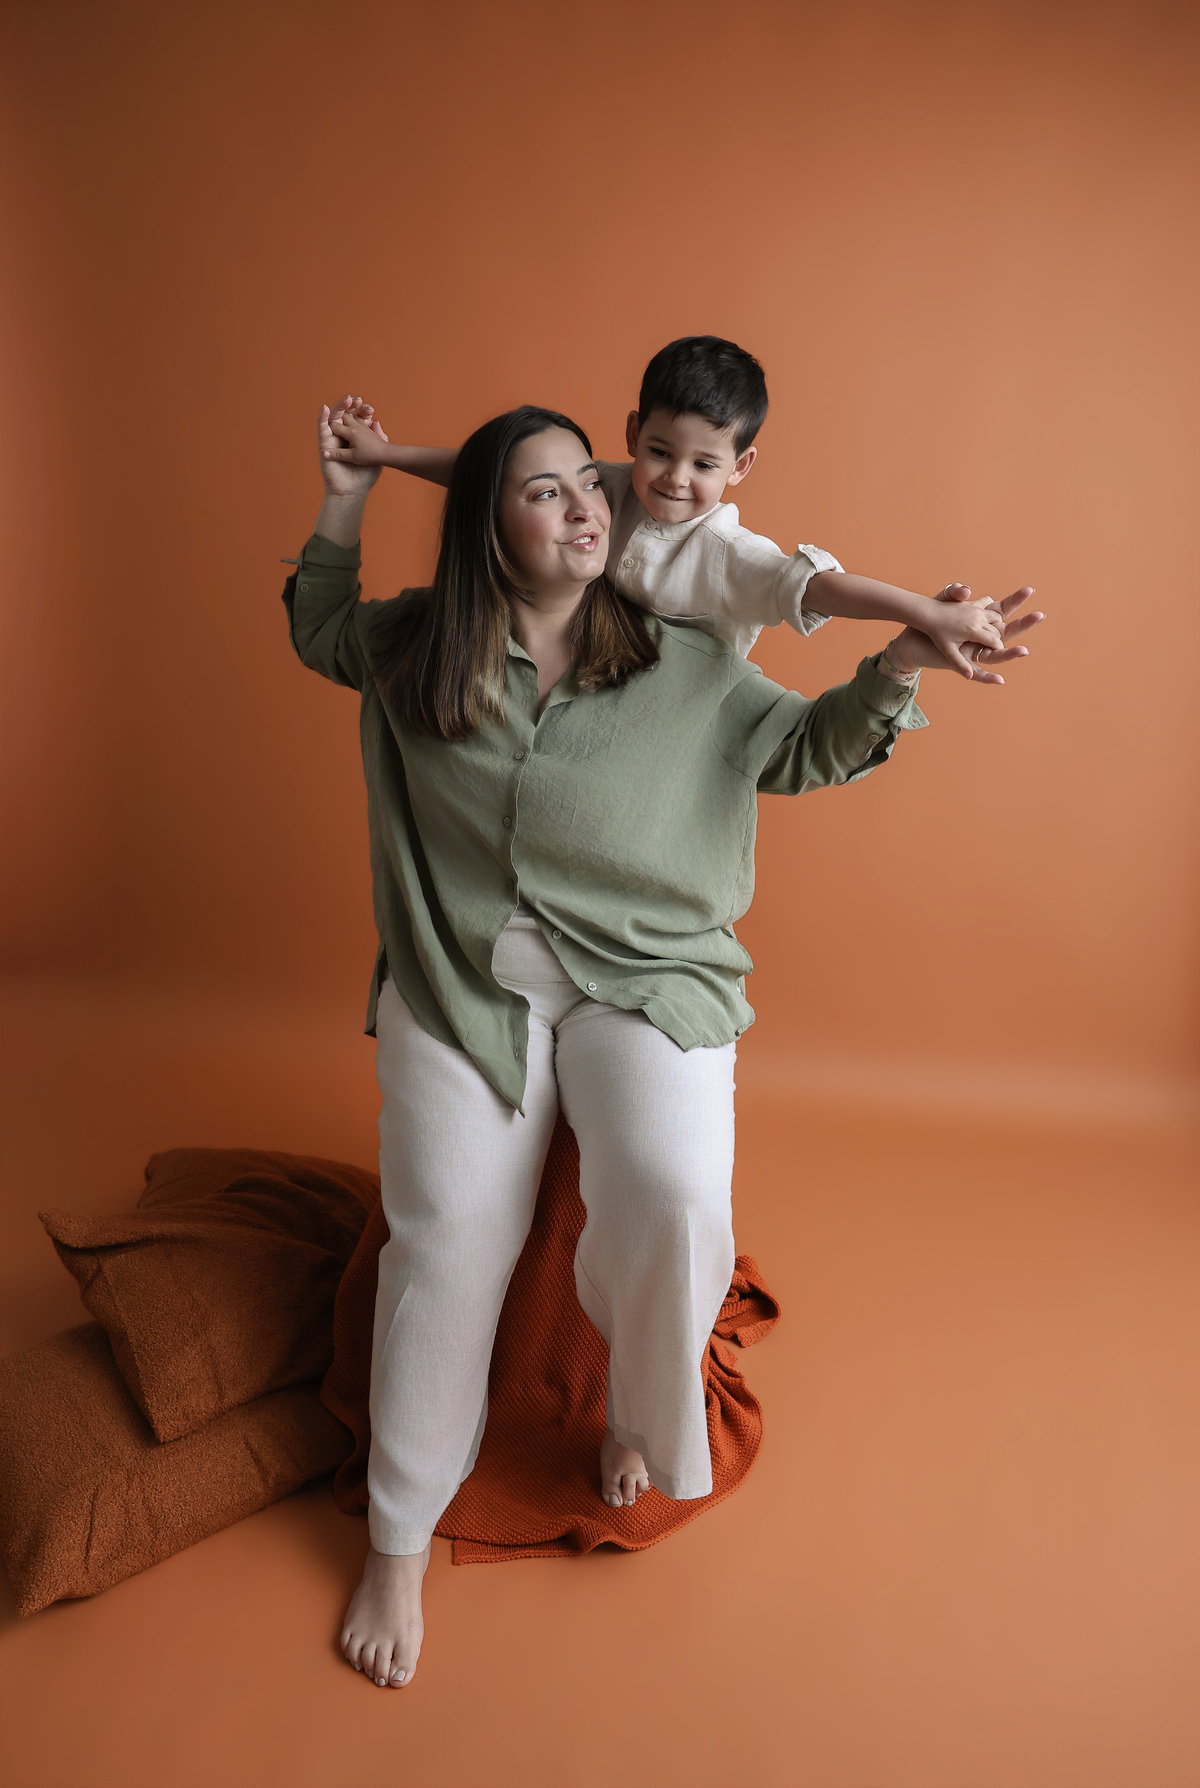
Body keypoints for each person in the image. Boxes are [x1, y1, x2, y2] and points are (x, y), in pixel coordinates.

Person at [285, 398, 1041, 1694]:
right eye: (544, 491)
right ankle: (398, 1541)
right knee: (447, 1232)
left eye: (590, 483)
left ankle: (638, 1418)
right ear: (485, 524)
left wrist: (902, 664)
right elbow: (319, 625)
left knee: (676, 1191)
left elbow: (802, 749)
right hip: (463, 980)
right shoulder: (418, 647)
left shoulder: (679, 654)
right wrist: (348, 493)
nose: (588, 507)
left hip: (649, 975)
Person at [323, 333, 1015, 673]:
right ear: (632, 435)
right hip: (595, 677)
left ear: (740, 468)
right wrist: (384, 454)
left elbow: (819, 587)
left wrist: (924, 612)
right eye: (659, 451)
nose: (675, 479)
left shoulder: (726, 553)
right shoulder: (605, 489)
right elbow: (494, 473)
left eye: (704, 465)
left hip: (689, 709)